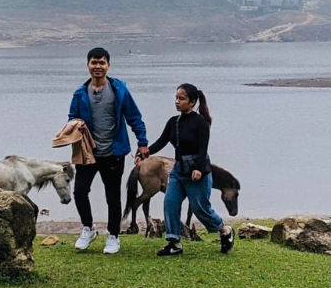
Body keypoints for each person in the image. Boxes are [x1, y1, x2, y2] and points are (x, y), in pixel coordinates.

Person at [67, 47, 149, 254]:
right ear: (88, 65)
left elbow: (134, 117)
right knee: (79, 191)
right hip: (88, 153)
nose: (97, 66)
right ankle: (88, 228)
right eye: (94, 63)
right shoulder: (79, 93)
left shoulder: (119, 90)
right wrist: (73, 128)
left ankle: (113, 235)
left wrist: (143, 142)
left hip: (114, 152)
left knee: (112, 197)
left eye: (101, 63)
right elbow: (72, 117)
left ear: (108, 65)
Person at [145, 83, 234, 257]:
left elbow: (203, 149)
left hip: (197, 174)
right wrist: (145, 152)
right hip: (178, 172)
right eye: (176, 98)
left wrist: (199, 169)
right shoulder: (173, 122)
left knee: (201, 210)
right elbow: (161, 141)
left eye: (181, 98)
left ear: (192, 102)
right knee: (170, 203)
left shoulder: (200, 123)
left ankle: (225, 230)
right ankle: (174, 243)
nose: (177, 101)